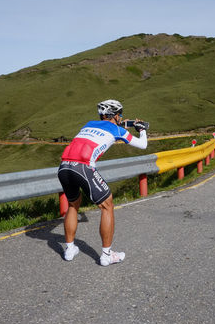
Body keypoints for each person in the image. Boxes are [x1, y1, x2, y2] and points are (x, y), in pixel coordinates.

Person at [57, 99, 148, 265]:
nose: (121, 118)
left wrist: (125, 124)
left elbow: (108, 127)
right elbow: (143, 145)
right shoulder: (117, 129)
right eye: (120, 115)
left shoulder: (88, 124)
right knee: (107, 206)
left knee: (73, 204)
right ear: (115, 115)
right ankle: (107, 255)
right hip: (83, 167)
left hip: (64, 166)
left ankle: (70, 249)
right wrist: (141, 129)